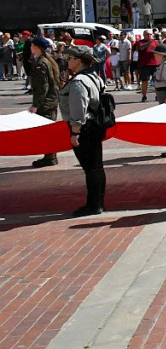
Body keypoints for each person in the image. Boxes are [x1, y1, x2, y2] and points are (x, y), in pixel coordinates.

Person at [60, 46, 107, 216]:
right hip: (95, 125)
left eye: (71, 57)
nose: (68, 60)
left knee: (91, 168)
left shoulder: (79, 82)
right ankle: (98, 203)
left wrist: (75, 133)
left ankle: (94, 205)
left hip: (84, 128)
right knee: (97, 167)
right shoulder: (95, 78)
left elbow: (78, 110)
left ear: (79, 61)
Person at [28, 36, 61, 168]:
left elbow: (42, 87)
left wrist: (36, 105)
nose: (31, 48)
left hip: (45, 103)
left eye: (32, 45)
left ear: (36, 47)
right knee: (48, 130)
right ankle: (50, 156)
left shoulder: (41, 63)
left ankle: (50, 157)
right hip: (51, 101)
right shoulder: (47, 60)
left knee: (47, 131)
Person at [136, 30, 160, 103]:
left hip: (155, 64)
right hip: (144, 64)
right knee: (145, 81)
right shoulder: (140, 42)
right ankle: (144, 96)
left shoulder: (156, 42)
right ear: (144, 35)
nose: (149, 36)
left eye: (150, 34)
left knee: (157, 80)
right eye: (147, 34)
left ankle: (158, 95)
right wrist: (150, 42)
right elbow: (141, 48)